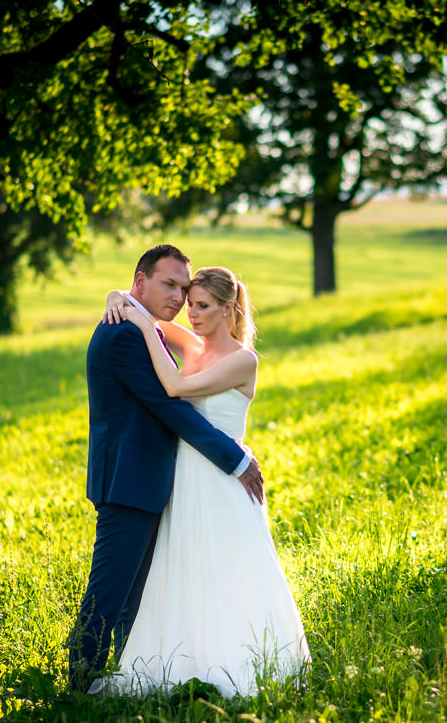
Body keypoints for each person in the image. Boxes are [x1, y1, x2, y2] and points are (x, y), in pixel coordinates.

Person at [89, 265, 310, 697]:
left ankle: (236, 659)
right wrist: (118, 297)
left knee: (228, 571)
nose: (191, 314)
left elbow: (171, 387)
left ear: (228, 309)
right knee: (182, 570)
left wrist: (141, 324)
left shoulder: (243, 360)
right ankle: (186, 655)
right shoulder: (194, 344)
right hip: (184, 477)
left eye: (203, 306)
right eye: (190, 304)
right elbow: (142, 299)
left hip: (224, 480)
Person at [68, 245, 265, 693]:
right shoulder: (124, 333)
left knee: (138, 596)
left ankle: (126, 672)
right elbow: (166, 403)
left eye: (186, 290)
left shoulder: (142, 325)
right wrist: (237, 458)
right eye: (170, 286)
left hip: (154, 481)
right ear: (141, 282)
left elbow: (168, 368)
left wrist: (119, 297)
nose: (180, 300)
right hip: (129, 481)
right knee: (110, 593)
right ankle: (79, 684)